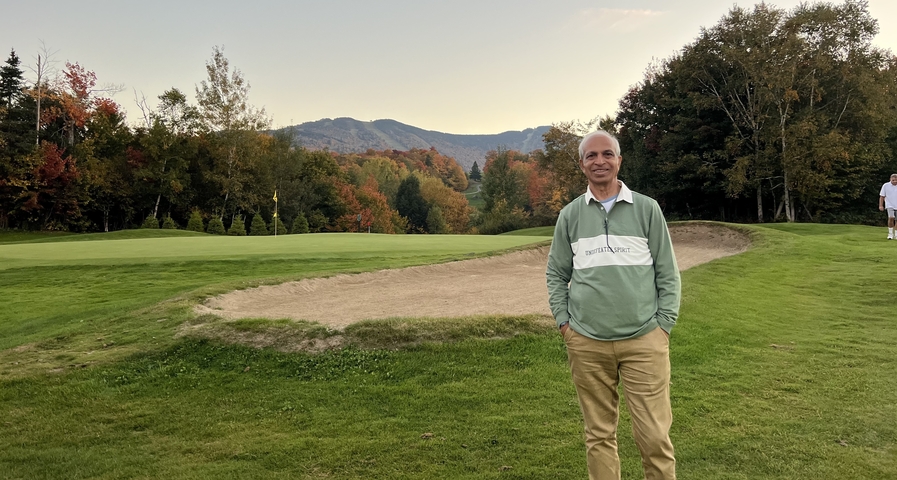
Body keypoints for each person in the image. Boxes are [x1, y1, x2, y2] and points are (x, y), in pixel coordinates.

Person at [546, 130, 681, 480]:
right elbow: (556, 274)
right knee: (599, 435)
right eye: (591, 156)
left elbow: (667, 271)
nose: (599, 161)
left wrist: (663, 324)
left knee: (654, 436)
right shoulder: (570, 215)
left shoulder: (646, 209)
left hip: (644, 340)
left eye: (607, 154)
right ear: (582, 164)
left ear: (619, 160)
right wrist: (565, 324)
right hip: (587, 342)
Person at [879, 174, 897, 239]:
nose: (895, 181)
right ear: (890, 179)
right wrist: (881, 205)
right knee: (891, 218)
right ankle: (890, 234)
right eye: (893, 180)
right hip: (889, 205)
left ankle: (896, 234)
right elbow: (882, 196)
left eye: (896, 180)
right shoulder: (886, 185)